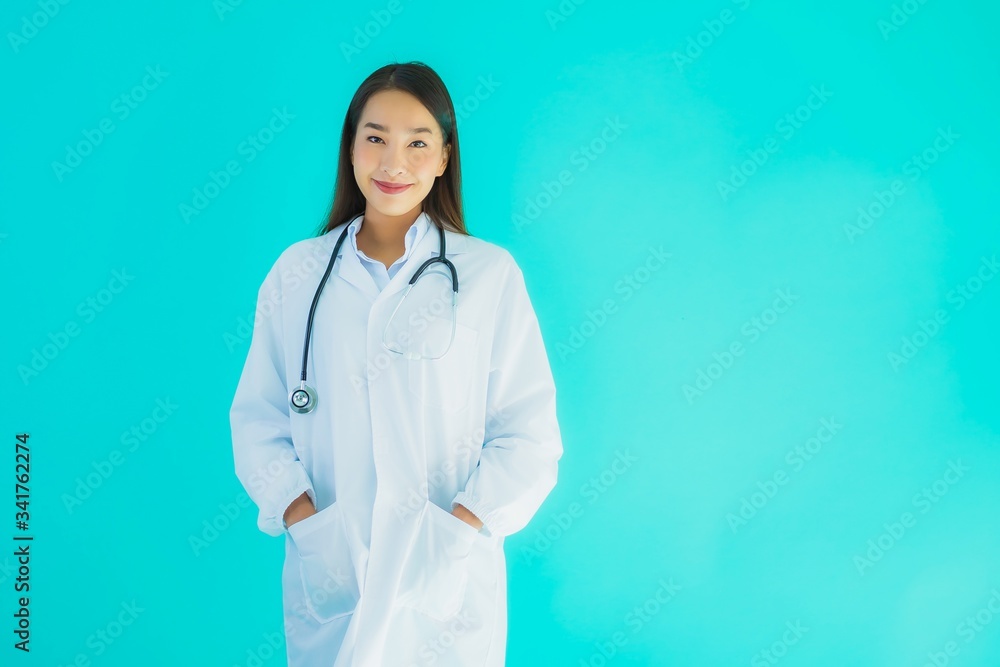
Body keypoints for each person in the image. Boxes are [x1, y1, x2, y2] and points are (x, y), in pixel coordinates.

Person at [229, 61, 563, 666]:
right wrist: (308, 526)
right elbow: (258, 419)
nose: (393, 163)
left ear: (443, 158)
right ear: (351, 145)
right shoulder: (298, 274)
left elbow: (529, 435)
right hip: (333, 576)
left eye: (417, 143)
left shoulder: (488, 276)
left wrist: (458, 530)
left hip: (445, 586)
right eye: (375, 138)